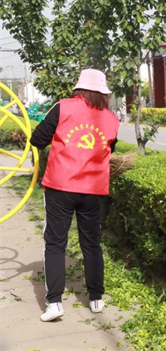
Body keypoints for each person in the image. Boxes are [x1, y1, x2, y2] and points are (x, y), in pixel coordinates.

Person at [30, 69, 120, 322]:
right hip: (93, 190)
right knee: (91, 243)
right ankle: (96, 299)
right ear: (103, 92)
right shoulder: (112, 119)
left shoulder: (62, 107)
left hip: (61, 186)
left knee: (56, 244)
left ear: (78, 88)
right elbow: (108, 148)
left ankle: (55, 303)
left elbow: (37, 139)